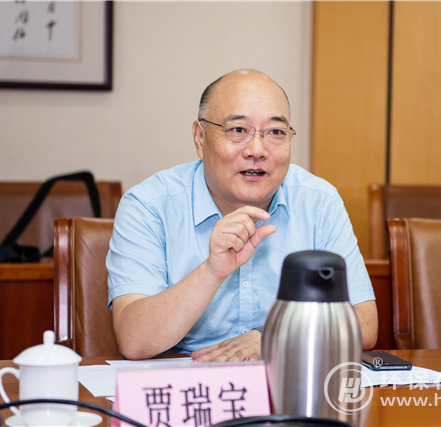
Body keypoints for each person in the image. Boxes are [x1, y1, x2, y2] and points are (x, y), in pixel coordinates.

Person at [107, 70, 378, 361]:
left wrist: (276, 338)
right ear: (200, 138)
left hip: (285, 376)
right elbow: (134, 341)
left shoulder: (318, 201)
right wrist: (211, 271)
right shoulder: (149, 206)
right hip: (184, 377)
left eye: (275, 132)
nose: (257, 150)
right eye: (237, 130)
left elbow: (364, 323)